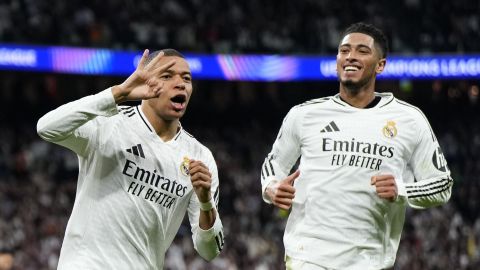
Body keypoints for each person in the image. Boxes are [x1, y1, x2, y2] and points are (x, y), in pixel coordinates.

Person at [260, 22, 453, 270]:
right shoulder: (304, 115)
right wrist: (271, 187)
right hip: (307, 257)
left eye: (362, 51)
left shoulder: (410, 120)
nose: (350, 56)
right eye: (344, 50)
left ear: (380, 65)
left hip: (368, 262)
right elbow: (273, 165)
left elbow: (443, 185)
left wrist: (402, 190)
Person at [37, 49, 224, 269]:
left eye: (186, 78)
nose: (180, 83)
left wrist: (205, 201)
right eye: (167, 76)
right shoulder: (109, 124)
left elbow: (209, 250)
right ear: (145, 80)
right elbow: (47, 128)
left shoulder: (200, 157)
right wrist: (118, 93)